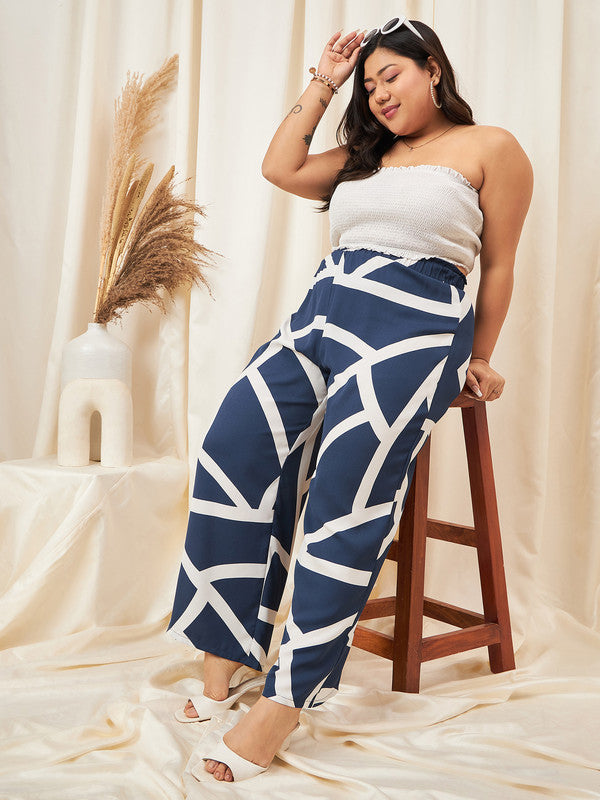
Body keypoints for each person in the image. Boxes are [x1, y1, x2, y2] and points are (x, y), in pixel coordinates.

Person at [166, 17, 534, 783]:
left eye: (390, 76)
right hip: (323, 311)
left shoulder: (490, 147)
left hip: (416, 324)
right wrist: (326, 81)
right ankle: (223, 657)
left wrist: (481, 356)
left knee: (348, 493)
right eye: (369, 86)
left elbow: (498, 265)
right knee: (233, 449)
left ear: (433, 68)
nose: (379, 94)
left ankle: (285, 702)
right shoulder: (365, 159)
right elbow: (280, 166)